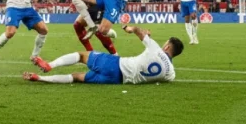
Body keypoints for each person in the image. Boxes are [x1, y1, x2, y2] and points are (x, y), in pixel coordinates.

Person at [25, 24, 184, 85]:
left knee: (81, 56)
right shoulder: (171, 73)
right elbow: (161, 66)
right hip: (116, 80)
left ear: (167, 45)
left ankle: (50, 65)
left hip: (116, 64)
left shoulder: (155, 48)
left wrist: (132, 29)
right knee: (76, 77)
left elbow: (138, 31)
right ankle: (39, 78)